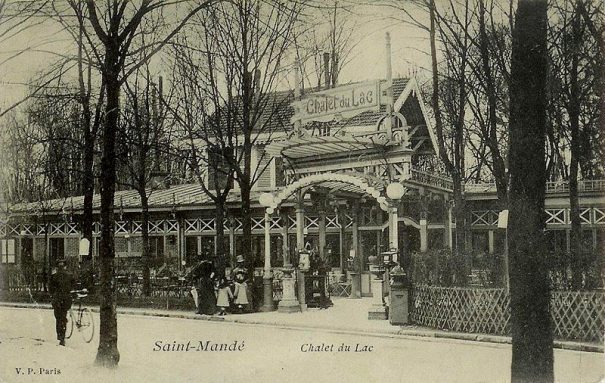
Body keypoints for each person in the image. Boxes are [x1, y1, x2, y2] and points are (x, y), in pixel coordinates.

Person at [49, 260, 75, 346]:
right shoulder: (70, 276)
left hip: (57, 300)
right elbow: (73, 286)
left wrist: (52, 297)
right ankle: (62, 336)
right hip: (67, 299)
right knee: (63, 316)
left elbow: (50, 289)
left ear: (56, 268)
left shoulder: (53, 277)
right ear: (65, 267)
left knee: (58, 317)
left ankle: (60, 336)